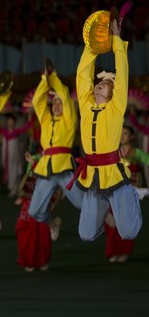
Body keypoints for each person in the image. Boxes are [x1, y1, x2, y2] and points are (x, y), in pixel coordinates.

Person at [71, 18, 146, 242]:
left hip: (113, 172)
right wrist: (92, 45)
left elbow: (121, 75)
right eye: (98, 82)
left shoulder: (115, 107)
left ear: (113, 92)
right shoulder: (86, 106)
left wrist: (116, 40)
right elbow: (83, 75)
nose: (98, 83)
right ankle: (106, 212)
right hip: (93, 174)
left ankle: (132, 193)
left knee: (129, 233)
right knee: (85, 235)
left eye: (105, 83)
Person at [28, 63, 84, 240]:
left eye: (60, 103)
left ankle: (104, 214)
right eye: (54, 102)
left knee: (82, 203)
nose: (57, 105)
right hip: (46, 169)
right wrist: (45, 79)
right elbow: (37, 101)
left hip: (63, 167)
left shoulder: (69, 120)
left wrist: (54, 78)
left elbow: (66, 97)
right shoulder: (45, 120)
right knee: (34, 211)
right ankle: (52, 222)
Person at [104, 125, 149, 262]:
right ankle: (113, 251)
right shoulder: (114, 153)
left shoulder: (137, 153)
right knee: (114, 222)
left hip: (131, 193)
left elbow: (147, 164)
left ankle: (125, 251)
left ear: (132, 137)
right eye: (120, 133)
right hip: (115, 191)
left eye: (125, 134)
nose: (122, 136)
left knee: (128, 221)